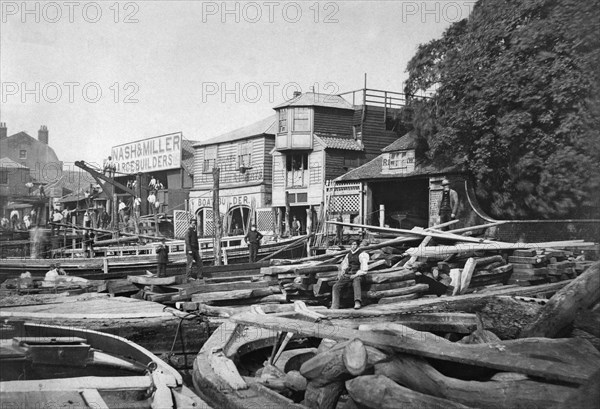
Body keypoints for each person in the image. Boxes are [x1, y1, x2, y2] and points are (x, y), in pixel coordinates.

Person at [331, 240, 370, 310]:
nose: (353, 246)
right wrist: (343, 271)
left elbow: (364, 269)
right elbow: (345, 265)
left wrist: (356, 275)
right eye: (351, 245)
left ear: (357, 245)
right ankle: (335, 305)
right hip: (349, 274)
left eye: (355, 244)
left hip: (359, 275)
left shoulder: (362, 254)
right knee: (336, 286)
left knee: (356, 282)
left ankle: (357, 302)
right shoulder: (348, 255)